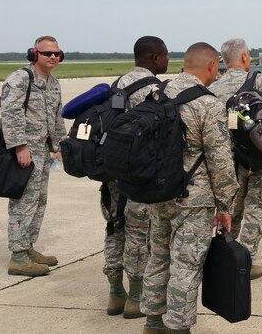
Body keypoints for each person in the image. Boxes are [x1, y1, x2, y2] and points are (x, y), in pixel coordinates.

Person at [141, 42, 238, 334]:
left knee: (158, 257)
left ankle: (153, 322)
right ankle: (178, 328)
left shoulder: (157, 94)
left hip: (157, 193)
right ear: (212, 65)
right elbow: (220, 160)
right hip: (194, 200)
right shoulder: (207, 103)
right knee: (186, 265)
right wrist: (225, 206)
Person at [208, 39, 262, 281]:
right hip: (260, 156)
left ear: (224, 60)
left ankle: (226, 257)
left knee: (230, 209)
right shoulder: (257, 80)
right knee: (257, 208)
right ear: (245, 56)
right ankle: (246, 260)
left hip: (230, 159)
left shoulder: (215, 86)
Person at [103, 36, 168, 317]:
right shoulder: (154, 89)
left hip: (112, 171)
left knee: (114, 227)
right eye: (165, 56)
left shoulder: (117, 85)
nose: (167, 60)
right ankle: (136, 296)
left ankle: (115, 292)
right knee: (139, 233)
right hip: (140, 174)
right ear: (154, 58)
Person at [0, 35, 67, 277]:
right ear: (34, 54)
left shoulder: (53, 83)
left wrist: (59, 145)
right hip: (25, 151)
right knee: (23, 202)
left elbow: (57, 116)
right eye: (47, 53)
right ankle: (18, 255)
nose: (53, 57)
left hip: (41, 151)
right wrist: (19, 146)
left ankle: (28, 247)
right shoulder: (20, 79)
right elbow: (10, 114)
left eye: (57, 53)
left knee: (39, 200)